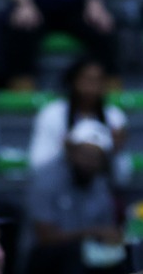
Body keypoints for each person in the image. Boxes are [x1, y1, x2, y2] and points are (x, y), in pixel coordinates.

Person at [21, 118, 127, 274]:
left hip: (86, 260)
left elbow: (106, 235)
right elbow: (44, 237)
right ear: (70, 151)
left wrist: (114, 238)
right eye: (84, 154)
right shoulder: (45, 179)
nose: (89, 162)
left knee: (128, 254)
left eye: (96, 157)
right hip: (40, 264)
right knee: (72, 253)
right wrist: (94, 233)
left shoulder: (100, 185)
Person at [26, 56, 131, 185]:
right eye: (87, 79)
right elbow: (37, 166)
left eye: (99, 80)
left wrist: (115, 152)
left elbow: (123, 178)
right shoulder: (52, 113)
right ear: (74, 81)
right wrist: (67, 153)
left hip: (101, 189)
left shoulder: (115, 116)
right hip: (58, 188)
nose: (92, 87)